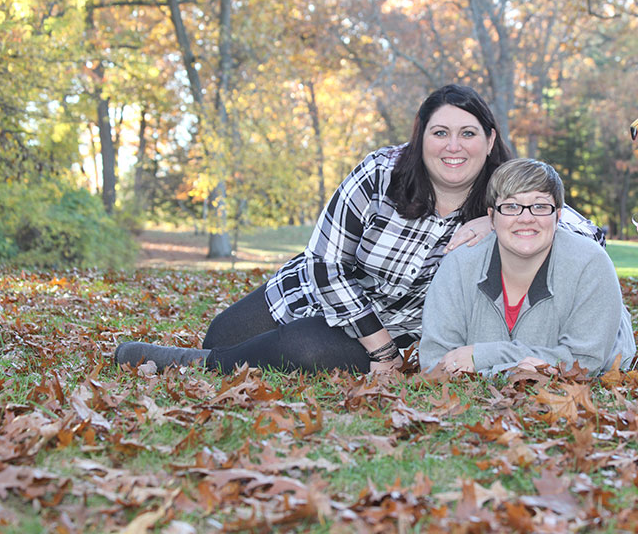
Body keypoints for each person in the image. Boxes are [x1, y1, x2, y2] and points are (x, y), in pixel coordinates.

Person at [115, 85, 605, 375]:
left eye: (468, 133)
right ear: (422, 137)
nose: (453, 147)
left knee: (300, 350)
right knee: (221, 334)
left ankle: (188, 365)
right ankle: (208, 357)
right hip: (318, 289)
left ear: (490, 139)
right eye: (440, 132)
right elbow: (325, 263)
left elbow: (587, 236)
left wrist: (492, 217)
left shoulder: (510, 191)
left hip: (397, 325)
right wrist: (380, 350)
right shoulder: (380, 174)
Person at [418, 158, 635, 377]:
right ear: (492, 217)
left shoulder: (591, 263)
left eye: (540, 206)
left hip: (608, 345)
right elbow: (436, 361)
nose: (526, 218)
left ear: (558, 216)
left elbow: (583, 362)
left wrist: (483, 356)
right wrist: (525, 367)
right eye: (511, 206)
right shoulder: (458, 265)